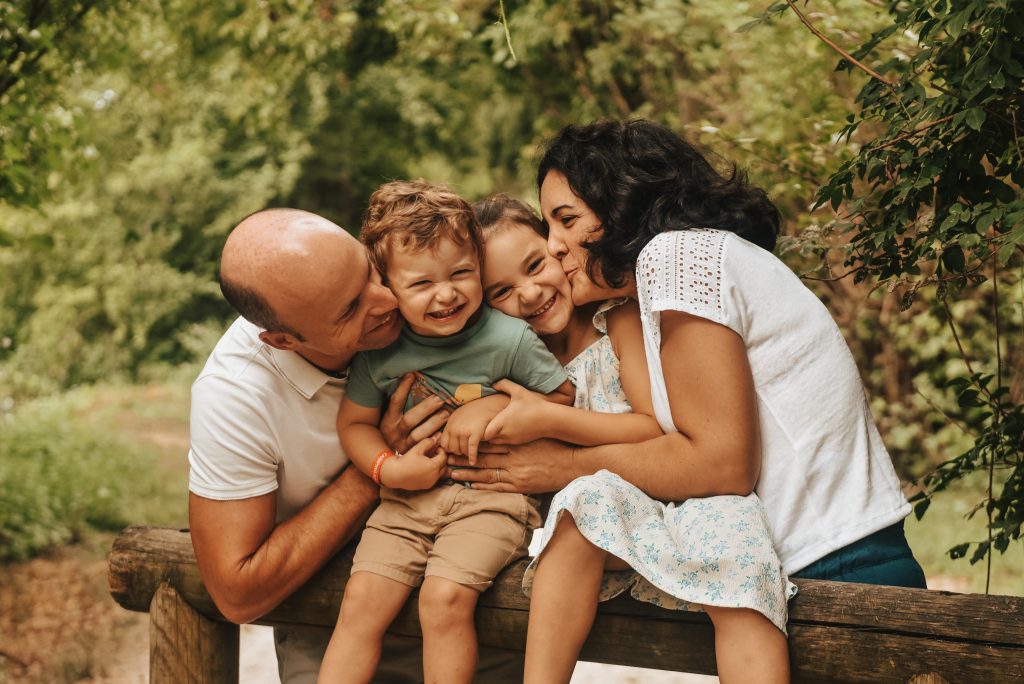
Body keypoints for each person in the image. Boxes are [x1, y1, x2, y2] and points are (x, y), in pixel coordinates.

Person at [452, 118, 926, 675]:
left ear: (625, 198)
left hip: (839, 574)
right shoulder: (682, 274)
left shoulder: (675, 257)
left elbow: (719, 464)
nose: (555, 246)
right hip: (817, 572)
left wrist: (561, 468)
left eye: (567, 219)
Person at [187, 208, 524, 684]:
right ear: (282, 340)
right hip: (329, 628)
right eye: (350, 309)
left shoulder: (421, 279)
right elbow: (237, 592)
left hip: (471, 608)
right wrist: (380, 462)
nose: (386, 299)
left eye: (369, 270)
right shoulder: (235, 394)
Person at [475, 194, 795, 683]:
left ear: (556, 249)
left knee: (740, 548)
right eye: (500, 291)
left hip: (677, 488)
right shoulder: (518, 362)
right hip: (605, 509)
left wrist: (548, 419)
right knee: (579, 508)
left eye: (535, 264)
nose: (529, 292)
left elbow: (651, 424)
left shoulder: (616, 317)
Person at [320, 182, 574, 684]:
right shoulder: (380, 352)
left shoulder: (509, 337)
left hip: (492, 499)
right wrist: (386, 467)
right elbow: (353, 424)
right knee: (361, 602)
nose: (446, 293)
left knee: (444, 600)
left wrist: (497, 403)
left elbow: (563, 399)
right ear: (387, 285)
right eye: (420, 284)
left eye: (461, 273)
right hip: (403, 502)